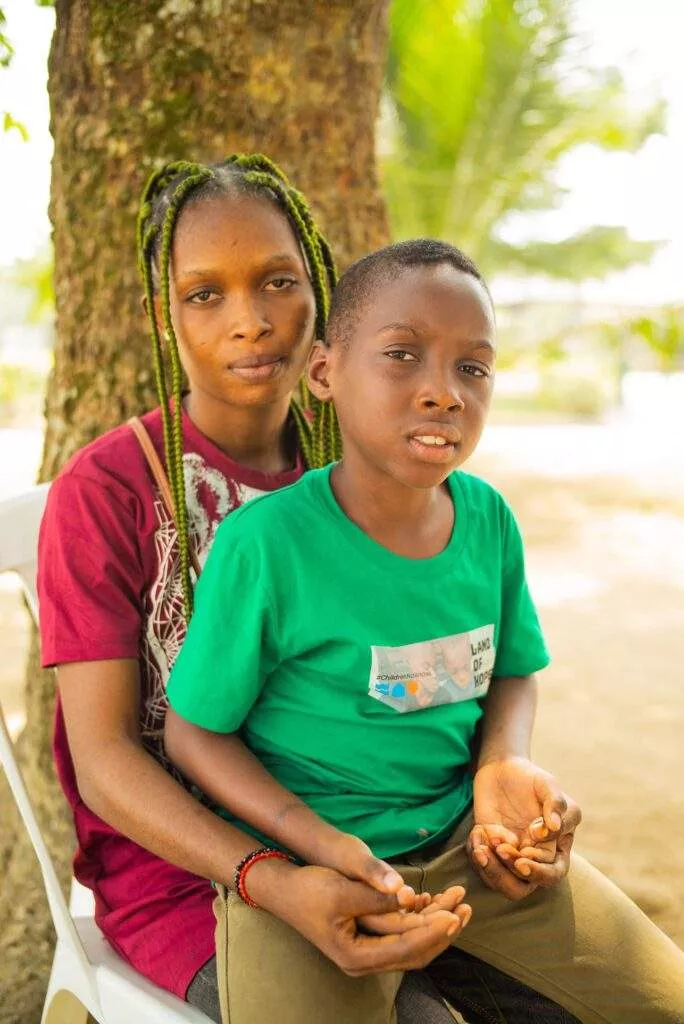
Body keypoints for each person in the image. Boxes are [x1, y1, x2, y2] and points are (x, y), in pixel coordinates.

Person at [38, 155, 542, 1024]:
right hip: (187, 869)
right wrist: (268, 877)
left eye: (278, 281)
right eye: (205, 295)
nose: (251, 322)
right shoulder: (109, 492)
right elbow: (107, 761)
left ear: (322, 300)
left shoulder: (366, 464)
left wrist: (497, 774)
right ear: (164, 316)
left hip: (388, 829)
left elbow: (472, 656)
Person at [165, 238, 684, 1024]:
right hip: (309, 870)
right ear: (325, 374)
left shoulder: (488, 522)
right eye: (403, 355)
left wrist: (504, 764)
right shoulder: (268, 547)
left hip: (469, 849)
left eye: (472, 368)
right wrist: (310, 845)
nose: (443, 393)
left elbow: (512, 668)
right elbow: (194, 736)